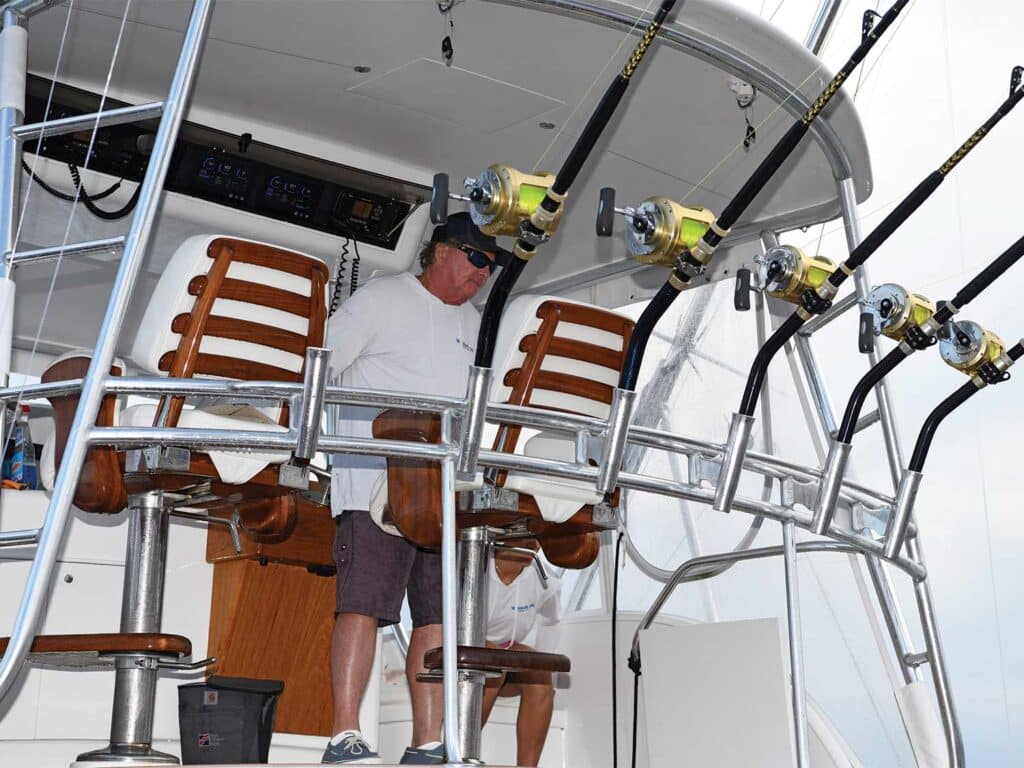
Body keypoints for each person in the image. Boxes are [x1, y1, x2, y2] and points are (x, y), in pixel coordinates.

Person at [322, 212, 508, 765]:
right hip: (373, 484)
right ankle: (343, 735)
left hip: (441, 494)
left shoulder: (478, 325)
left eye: (491, 267)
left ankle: (427, 743)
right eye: (476, 259)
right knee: (362, 605)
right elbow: (319, 371)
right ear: (442, 252)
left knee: (434, 617)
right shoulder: (380, 300)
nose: (483, 273)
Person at [481, 542, 562, 767]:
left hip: (504, 657)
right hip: (461, 655)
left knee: (540, 673)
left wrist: (545, 658)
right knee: (492, 661)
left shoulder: (547, 581)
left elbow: (550, 621)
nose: (533, 544)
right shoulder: (472, 567)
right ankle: (458, 750)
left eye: (536, 539)